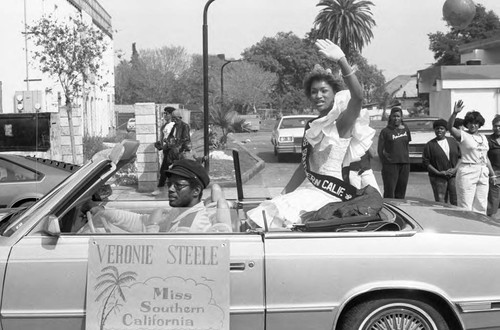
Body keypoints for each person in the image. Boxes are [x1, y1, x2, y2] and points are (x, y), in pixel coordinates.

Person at [247, 39, 375, 227]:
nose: (318, 96)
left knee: (271, 222)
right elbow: (304, 168)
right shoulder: (312, 126)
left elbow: (358, 97)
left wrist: (341, 60)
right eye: (314, 92)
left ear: (334, 93)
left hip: (329, 193)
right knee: (264, 216)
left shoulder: (342, 122)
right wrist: (283, 193)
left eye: (324, 90)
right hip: (308, 189)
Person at [79, 159, 232, 233]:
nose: (171, 189)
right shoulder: (181, 212)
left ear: (196, 191)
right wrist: (104, 212)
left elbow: (157, 257)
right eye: (170, 184)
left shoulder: (189, 226)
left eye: (178, 186)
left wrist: (152, 226)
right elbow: (139, 221)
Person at [447, 100, 495, 214]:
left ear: (479, 124)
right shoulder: (463, 135)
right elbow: (449, 127)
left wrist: (492, 174)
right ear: (467, 124)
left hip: (483, 171)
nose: (473, 125)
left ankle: (479, 230)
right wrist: (454, 114)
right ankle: (465, 229)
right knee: (465, 206)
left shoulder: (484, 138)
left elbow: (486, 157)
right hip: (468, 171)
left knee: (481, 206)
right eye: (470, 123)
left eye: (476, 123)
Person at [152, 108, 191, 196]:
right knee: (164, 171)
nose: (174, 120)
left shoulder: (185, 126)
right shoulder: (174, 127)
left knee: (178, 172)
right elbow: (170, 138)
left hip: (179, 153)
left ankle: (182, 189)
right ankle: (161, 188)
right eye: (173, 118)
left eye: (175, 118)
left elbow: (186, 139)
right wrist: (164, 145)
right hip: (171, 152)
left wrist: (175, 143)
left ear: (179, 117)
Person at [422, 118, 461, 205]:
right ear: (434, 130)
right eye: (437, 128)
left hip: (453, 176)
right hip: (438, 177)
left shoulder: (453, 141)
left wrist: (455, 169)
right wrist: (439, 172)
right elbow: (426, 162)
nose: (439, 130)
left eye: (442, 128)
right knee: (441, 201)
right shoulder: (430, 145)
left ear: (446, 130)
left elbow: (460, 157)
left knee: (455, 200)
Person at [378, 106, 411, 199]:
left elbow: (406, 145)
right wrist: (385, 162)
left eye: (398, 116)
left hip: (405, 164)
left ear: (401, 117)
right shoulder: (385, 131)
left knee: (401, 192)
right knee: (389, 192)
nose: (396, 118)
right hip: (390, 165)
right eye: (394, 116)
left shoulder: (406, 129)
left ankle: (399, 211)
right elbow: (380, 150)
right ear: (390, 117)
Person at [487, 115, 500, 217]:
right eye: (495, 126)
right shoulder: (488, 140)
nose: (497, 128)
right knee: (493, 200)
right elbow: (485, 158)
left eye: (499, 126)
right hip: (494, 173)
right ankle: (490, 222)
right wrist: (492, 174)